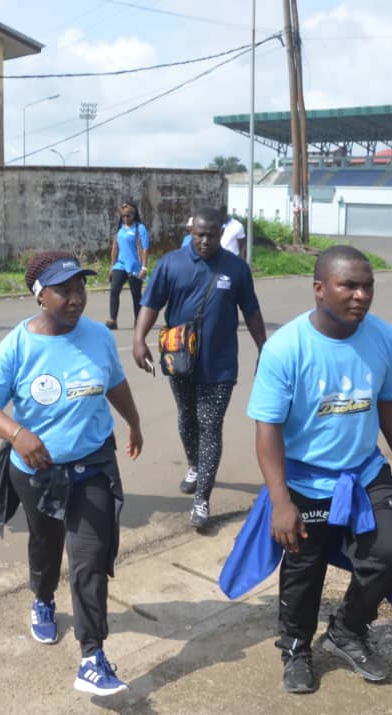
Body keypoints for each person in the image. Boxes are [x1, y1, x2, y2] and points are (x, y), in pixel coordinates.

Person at [219, 245, 392, 694]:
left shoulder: (383, 337)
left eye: (367, 285)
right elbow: (267, 429)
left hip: (364, 471)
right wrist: (280, 502)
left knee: (388, 552)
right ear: (319, 290)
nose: (361, 295)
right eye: (349, 285)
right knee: (303, 571)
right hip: (304, 478)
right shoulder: (286, 348)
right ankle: (295, 647)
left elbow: (390, 401)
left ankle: (348, 629)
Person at [0, 250, 143, 697]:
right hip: (37, 473)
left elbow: (114, 382)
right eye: (63, 290)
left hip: (93, 467)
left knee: (89, 558)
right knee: (46, 545)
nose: (76, 298)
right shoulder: (18, 345)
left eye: (81, 287)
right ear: (39, 297)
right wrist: (16, 433)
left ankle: (92, 657)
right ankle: (43, 599)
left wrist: (134, 421)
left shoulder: (98, 337)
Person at [132, 206, 267, 529]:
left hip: (220, 364)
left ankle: (202, 499)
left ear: (222, 233)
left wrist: (266, 349)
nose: (204, 241)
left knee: (210, 424)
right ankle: (194, 464)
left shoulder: (236, 269)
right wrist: (139, 338)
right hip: (179, 358)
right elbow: (151, 304)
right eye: (198, 235)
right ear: (191, 232)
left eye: (210, 235)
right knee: (186, 418)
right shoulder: (171, 264)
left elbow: (251, 311)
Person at [105, 201, 150, 330]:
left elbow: (145, 249)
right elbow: (115, 248)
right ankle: (113, 320)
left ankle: (138, 320)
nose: (125, 218)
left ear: (134, 215)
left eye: (128, 216)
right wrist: (112, 266)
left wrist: (144, 268)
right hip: (120, 265)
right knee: (114, 291)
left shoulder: (139, 228)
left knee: (136, 295)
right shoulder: (120, 229)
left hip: (134, 267)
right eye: (123, 216)